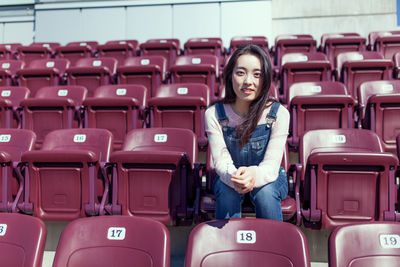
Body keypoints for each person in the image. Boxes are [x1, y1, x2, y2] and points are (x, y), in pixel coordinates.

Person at [205, 44, 289, 221]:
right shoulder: (214, 114)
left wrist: (253, 175)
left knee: (265, 192)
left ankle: (274, 247)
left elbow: (272, 164)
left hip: (268, 176)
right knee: (228, 194)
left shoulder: (279, 113)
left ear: (265, 79)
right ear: (230, 76)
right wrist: (236, 177)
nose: (248, 81)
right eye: (241, 72)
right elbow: (221, 161)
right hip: (230, 175)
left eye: (257, 74)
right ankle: (227, 247)